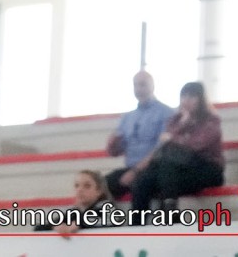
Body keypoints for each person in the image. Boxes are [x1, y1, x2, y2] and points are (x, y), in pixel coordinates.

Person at [129, 81, 224, 215]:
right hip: (177, 169)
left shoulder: (211, 120)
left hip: (206, 168)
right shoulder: (176, 120)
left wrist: (176, 135)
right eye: (184, 96)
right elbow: (165, 142)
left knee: (167, 166)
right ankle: (137, 222)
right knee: (143, 181)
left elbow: (196, 144)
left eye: (192, 96)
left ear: (201, 99)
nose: (186, 100)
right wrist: (183, 123)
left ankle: (170, 212)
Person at [105, 70, 177, 199]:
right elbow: (115, 151)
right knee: (98, 187)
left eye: (143, 84)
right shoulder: (127, 117)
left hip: (153, 171)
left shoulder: (166, 113)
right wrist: (112, 144)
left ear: (152, 86)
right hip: (130, 168)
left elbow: (161, 150)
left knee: (139, 185)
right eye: (135, 85)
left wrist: (135, 171)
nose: (138, 89)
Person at [34, 170, 113, 235]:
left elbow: (107, 223)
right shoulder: (74, 213)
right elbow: (39, 229)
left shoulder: (108, 209)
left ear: (99, 191)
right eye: (77, 185)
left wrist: (80, 224)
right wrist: (55, 227)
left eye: (87, 186)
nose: (80, 190)